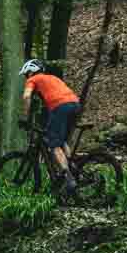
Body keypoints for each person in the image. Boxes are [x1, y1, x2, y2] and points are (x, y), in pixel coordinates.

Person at [19, 58, 81, 193]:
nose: (26, 78)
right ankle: (73, 167)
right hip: (75, 105)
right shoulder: (53, 78)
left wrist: (24, 117)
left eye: (26, 74)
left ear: (30, 72)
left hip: (60, 107)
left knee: (53, 145)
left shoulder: (33, 79)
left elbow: (26, 97)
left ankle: (68, 177)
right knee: (61, 140)